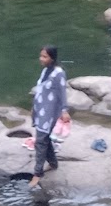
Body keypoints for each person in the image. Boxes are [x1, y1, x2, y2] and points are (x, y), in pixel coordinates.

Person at [29, 44, 70, 190]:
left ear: (52, 58)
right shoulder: (45, 71)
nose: (41, 59)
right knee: (44, 138)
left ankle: (37, 173)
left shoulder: (58, 73)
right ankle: (53, 163)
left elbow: (62, 93)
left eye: (44, 56)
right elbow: (40, 90)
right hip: (41, 111)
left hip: (49, 113)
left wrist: (65, 110)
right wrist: (34, 108)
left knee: (40, 141)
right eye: (41, 56)